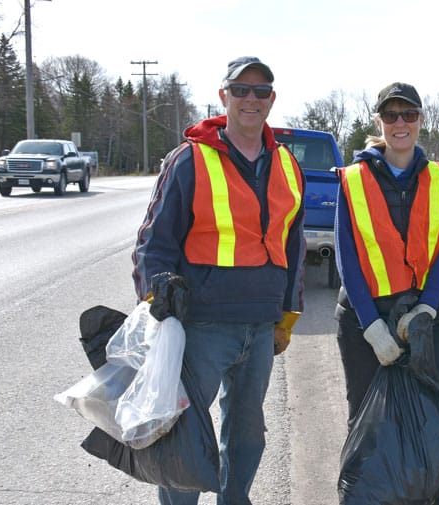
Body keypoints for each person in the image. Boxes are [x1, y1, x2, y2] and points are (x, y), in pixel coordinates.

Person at [131, 56, 306, 505]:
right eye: (241, 90)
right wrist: (158, 292)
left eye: (260, 91)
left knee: (248, 432)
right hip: (202, 327)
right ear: (223, 96)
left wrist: (288, 313)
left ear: (272, 100)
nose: (251, 99)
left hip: (261, 325)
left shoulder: (287, 164)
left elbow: (293, 245)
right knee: (183, 432)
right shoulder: (190, 160)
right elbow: (154, 240)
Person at [333, 82, 439, 428]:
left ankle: (423, 486)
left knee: (430, 420)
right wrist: (371, 326)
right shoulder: (353, 178)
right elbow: (347, 257)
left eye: (409, 114)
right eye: (391, 115)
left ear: (421, 120)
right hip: (364, 317)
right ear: (379, 122)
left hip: (424, 316)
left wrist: (427, 307)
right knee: (367, 422)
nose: (400, 123)